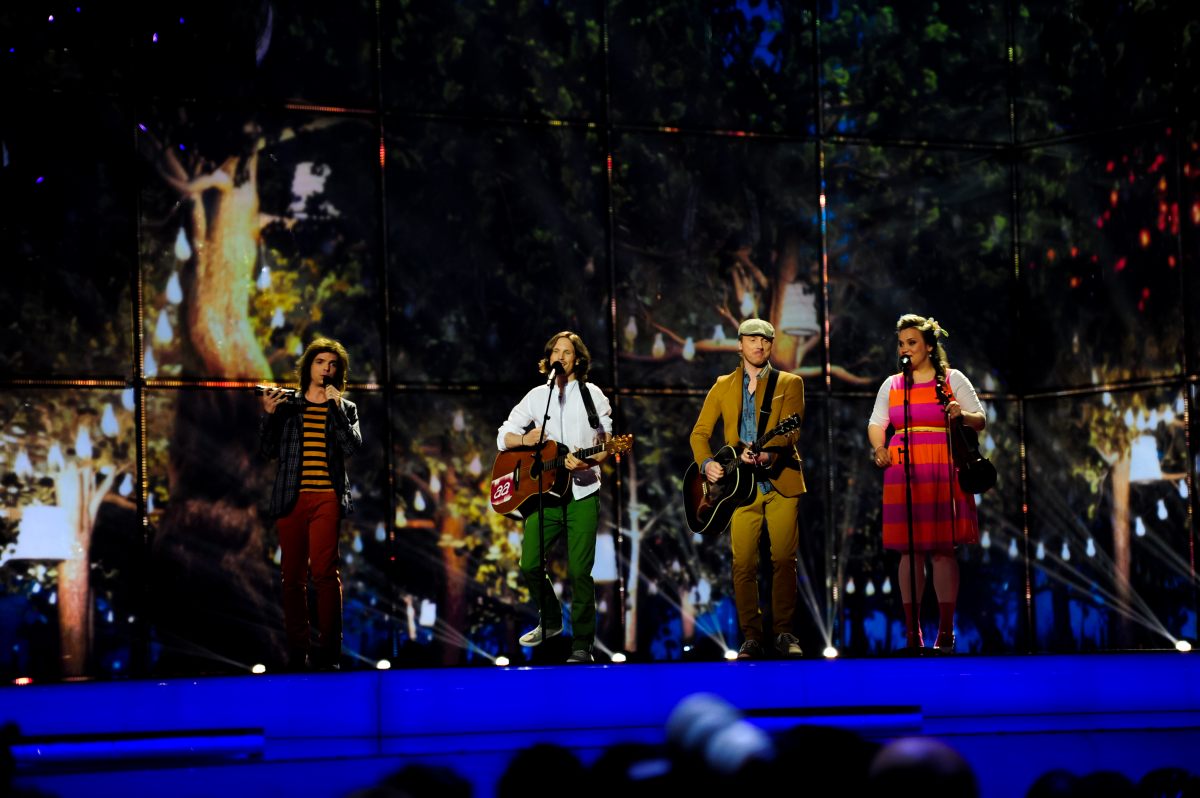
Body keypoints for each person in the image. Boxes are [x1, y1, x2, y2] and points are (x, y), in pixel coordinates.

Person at [689, 318, 806, 659]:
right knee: (743, 564)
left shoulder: (790, 382)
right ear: (739, 345)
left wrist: (770, 454)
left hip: (780, 481)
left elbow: (792, 431)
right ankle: (752, 637)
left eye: (765, 340)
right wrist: (706, 463)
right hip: (738, 489)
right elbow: (699, 433)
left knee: (783, 559)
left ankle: (784, 632)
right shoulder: (723, 385)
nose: (759, 345)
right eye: (752, 339)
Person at [867, 314, 983, 653]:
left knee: (943, 549)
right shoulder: (892, 385)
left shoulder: (951, 379)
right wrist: (879, 448)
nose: (905, 349)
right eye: (901, 343)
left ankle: (946, 631)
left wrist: (960, 414)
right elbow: (876, 422)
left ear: (929, 346)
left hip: (942, 465)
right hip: (903, 467)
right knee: (910, 549)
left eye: (912, 342)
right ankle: (912, 632)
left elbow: (980, 419)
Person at [496, 331, 613, 663]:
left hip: (582, 492)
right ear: (548, 359)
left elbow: (606, 443)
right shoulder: (537, 396)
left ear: (577, 359)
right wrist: (525, 439)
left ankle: (582, 645)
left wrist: (588, 460)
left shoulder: (592, 395)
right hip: (544, 494)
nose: (560, 356)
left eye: (567, 352)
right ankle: (549, 620)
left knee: (579, 572)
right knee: (530, 563)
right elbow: (503, 435)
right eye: (555, 352)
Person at [259, 338, 361, 670]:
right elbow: (267, 451)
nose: (326, 368)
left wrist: (335, 407)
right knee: (292, 577)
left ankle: (330, 653)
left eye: (332, 364)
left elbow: (351, 447)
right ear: (309, 366)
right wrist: (269, 416)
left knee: (325, 574)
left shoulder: (345, 407)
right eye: (320, 362)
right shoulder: (288, 405)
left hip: (327, 496)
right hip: (292, 497)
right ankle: (297, 652)